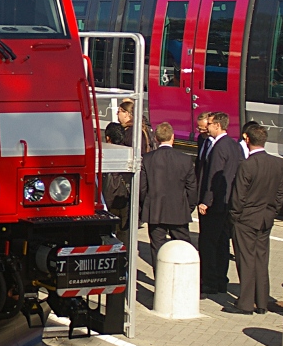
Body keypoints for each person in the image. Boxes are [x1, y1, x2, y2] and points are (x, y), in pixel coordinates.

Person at [223, 124, 283, 315]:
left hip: (246, 219)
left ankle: (245, 303)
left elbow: (238, 196)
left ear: (247, 139)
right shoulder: (277, 163)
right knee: (261, 258)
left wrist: (235, 216)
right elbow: (280, 194)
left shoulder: (247, 165)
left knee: (246, 259)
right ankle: (262, 302)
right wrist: (272, 212)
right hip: (265, 218)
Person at [197, 111, 243, 297]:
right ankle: (222, 280)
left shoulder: (219, 147)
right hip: (227, 201)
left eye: (209, 124)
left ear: (217, 125)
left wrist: (206, 201)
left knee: (208, 242)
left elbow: (213, 176)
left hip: (215, 203)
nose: (206, 127)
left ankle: (210, 281)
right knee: (223, 242)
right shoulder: (234, 145)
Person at [139, 122, 198, 264]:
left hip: (155, 210)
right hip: (178, 210)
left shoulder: (148, 159)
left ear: (156, 138)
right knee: (183, 246)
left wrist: (145, 205)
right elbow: (192, 187)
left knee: (157, 248)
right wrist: (188, 207)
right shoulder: (185, 159)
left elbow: (142, 188)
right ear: (173, 137)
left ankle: (160, 278)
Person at [102, 122, 131, 244]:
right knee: (124, 232)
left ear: (108, 137)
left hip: (107, 199)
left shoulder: (104, 153)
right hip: (125, 197)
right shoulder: (128, 153)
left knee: (106, 232)